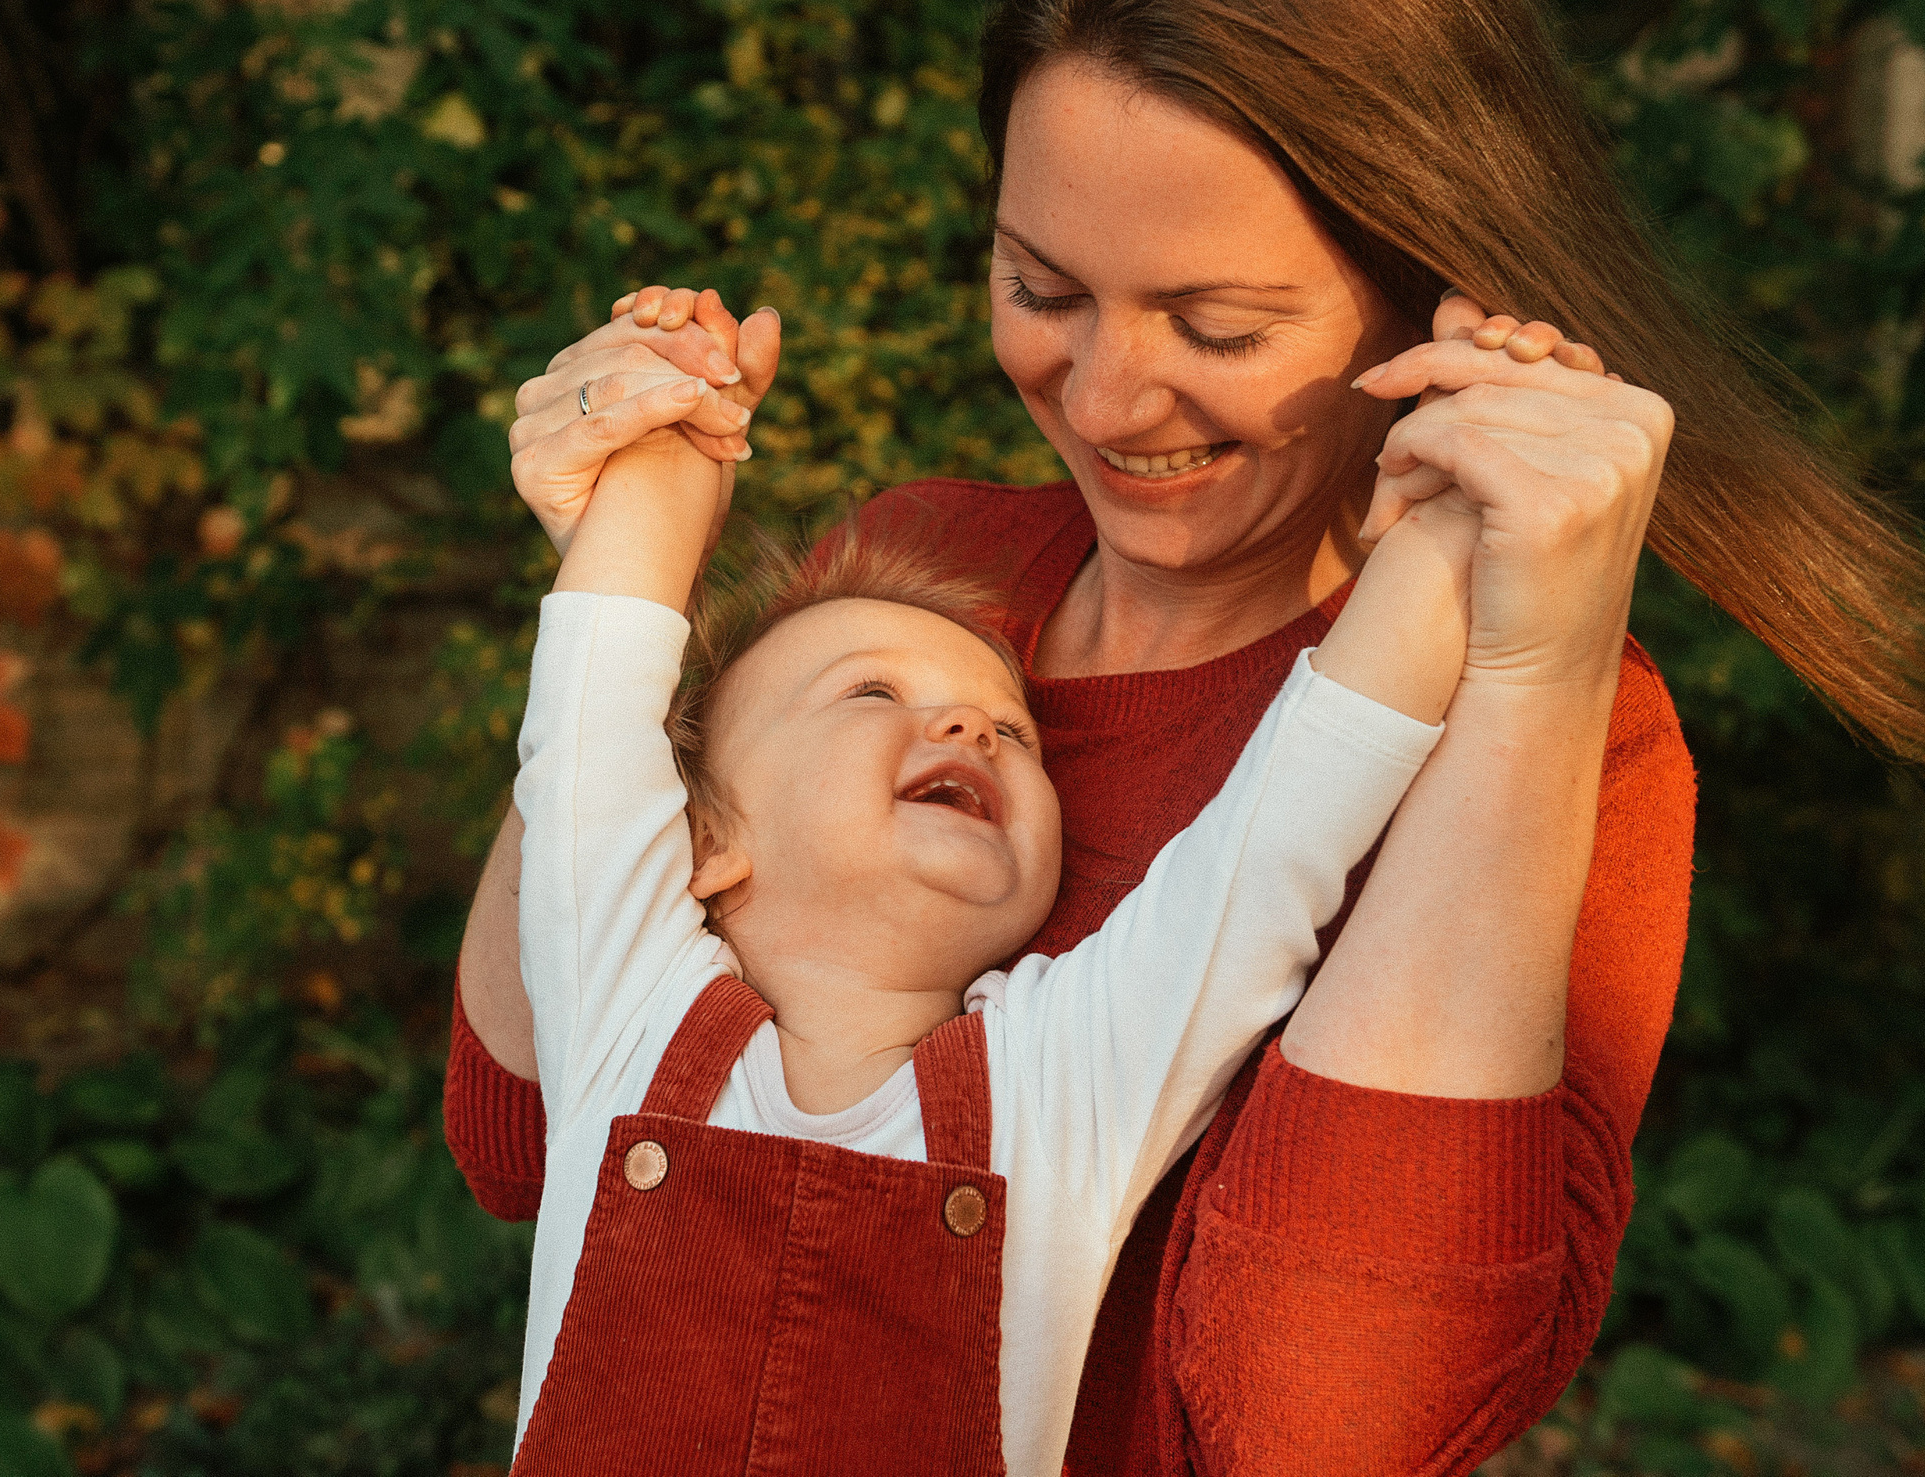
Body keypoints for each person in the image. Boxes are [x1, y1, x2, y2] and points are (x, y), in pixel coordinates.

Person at [451, 0, 1925, 1474]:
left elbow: (1324, 1416)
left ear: (1422, 292)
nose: (1104, 400)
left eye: (1219, 324)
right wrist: (607, 587)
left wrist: (1518, 653)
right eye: (1044, 287)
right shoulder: (920, 575)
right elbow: (530, 1136)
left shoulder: (1559, 730)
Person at [502, 282, 1504, 1472]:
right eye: (874, 692)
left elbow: (1286, 824)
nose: (972, 732)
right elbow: (594, 697)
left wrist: (1459, 502)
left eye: (1009, 730)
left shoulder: (1062, 1075)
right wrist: (672, 420)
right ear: (705, 837)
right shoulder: (622, 1002)